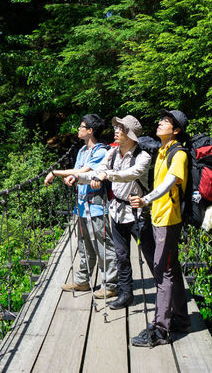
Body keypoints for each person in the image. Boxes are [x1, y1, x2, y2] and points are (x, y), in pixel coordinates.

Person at [76, 114, 154, 310]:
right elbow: (96, 171)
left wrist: (105, 175)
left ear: (131, 135)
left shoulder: (142, 157)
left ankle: (164, 295)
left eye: (121, 129)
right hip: (117, 211)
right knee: (121, 255)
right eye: (117, 128)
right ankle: (125, 294)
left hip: (137, 212)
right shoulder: (112, 153)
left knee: (151, 256)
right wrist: (77, 178)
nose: (116, 131)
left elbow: (129, 175)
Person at [130, 109, 191, 347]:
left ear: (176, 130)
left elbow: (169, 184)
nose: (160, 122)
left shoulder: (179, 154)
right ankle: (181, 319)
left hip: (168, 220)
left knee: (161, 272)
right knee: (171, 268)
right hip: (159, 218)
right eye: (161, 119)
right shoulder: (163, 151)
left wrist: (146, 200)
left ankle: (161, 329)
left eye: (166, 121)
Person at [45, 114, 119, 298]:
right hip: (81, 205)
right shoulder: (81, 151)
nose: (78, 129)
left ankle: (110, 284)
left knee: (103, 245)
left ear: (90, 131)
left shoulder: (101, 152)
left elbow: (81, 172)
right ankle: (82, 281)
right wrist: (68, 178)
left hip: (96, 206)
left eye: (81, 126)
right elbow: (76, 175)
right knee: (83, 244)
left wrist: (56, 172)